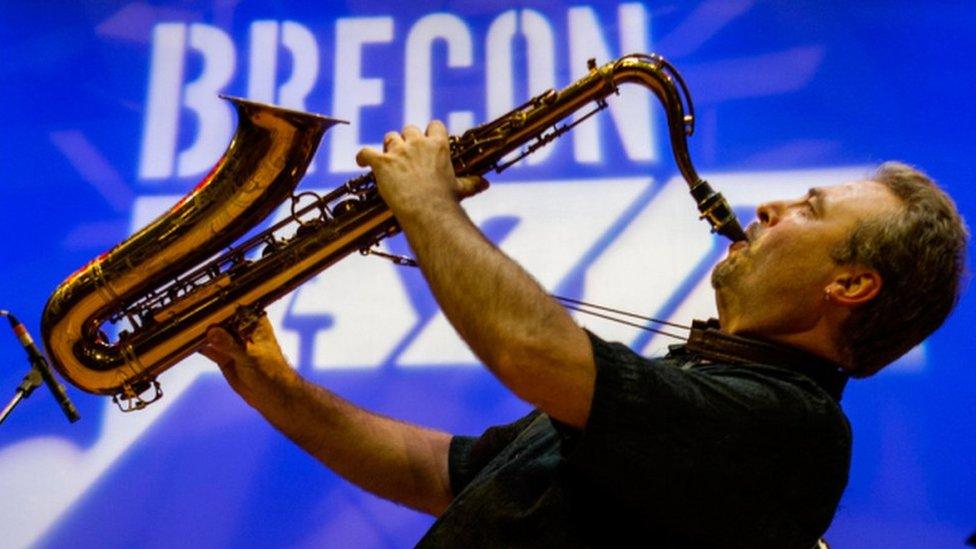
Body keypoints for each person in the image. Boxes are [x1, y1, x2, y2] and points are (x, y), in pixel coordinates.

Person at [200, 121, 967, 548]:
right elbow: (447, 474)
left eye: (809, 206)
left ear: (852, 284)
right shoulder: (695, 384)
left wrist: (428, 206)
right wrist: (272, 382)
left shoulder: (791, 429)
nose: (770, 206)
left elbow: (529, 352)